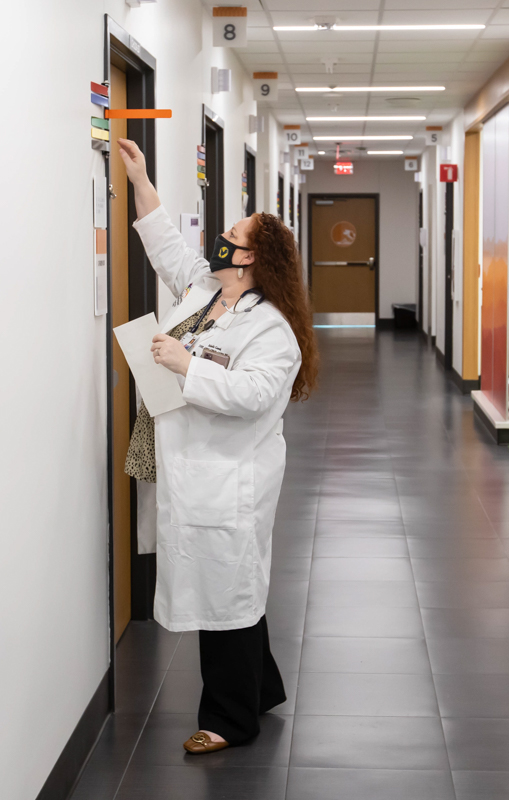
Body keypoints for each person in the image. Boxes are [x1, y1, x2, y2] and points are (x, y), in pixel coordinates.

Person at [117, 138, 318, 753]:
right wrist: (140, 179)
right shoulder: (208, 291)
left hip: (230, 477)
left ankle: (229, 719)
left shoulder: (271, 328)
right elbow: (168, 251)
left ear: (254, 257)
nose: (220, 241)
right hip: (195, 467)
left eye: (232, 234)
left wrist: (184, 364)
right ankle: (259, 690)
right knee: (232, 588)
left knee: (228, 590)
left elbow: (255, 396)